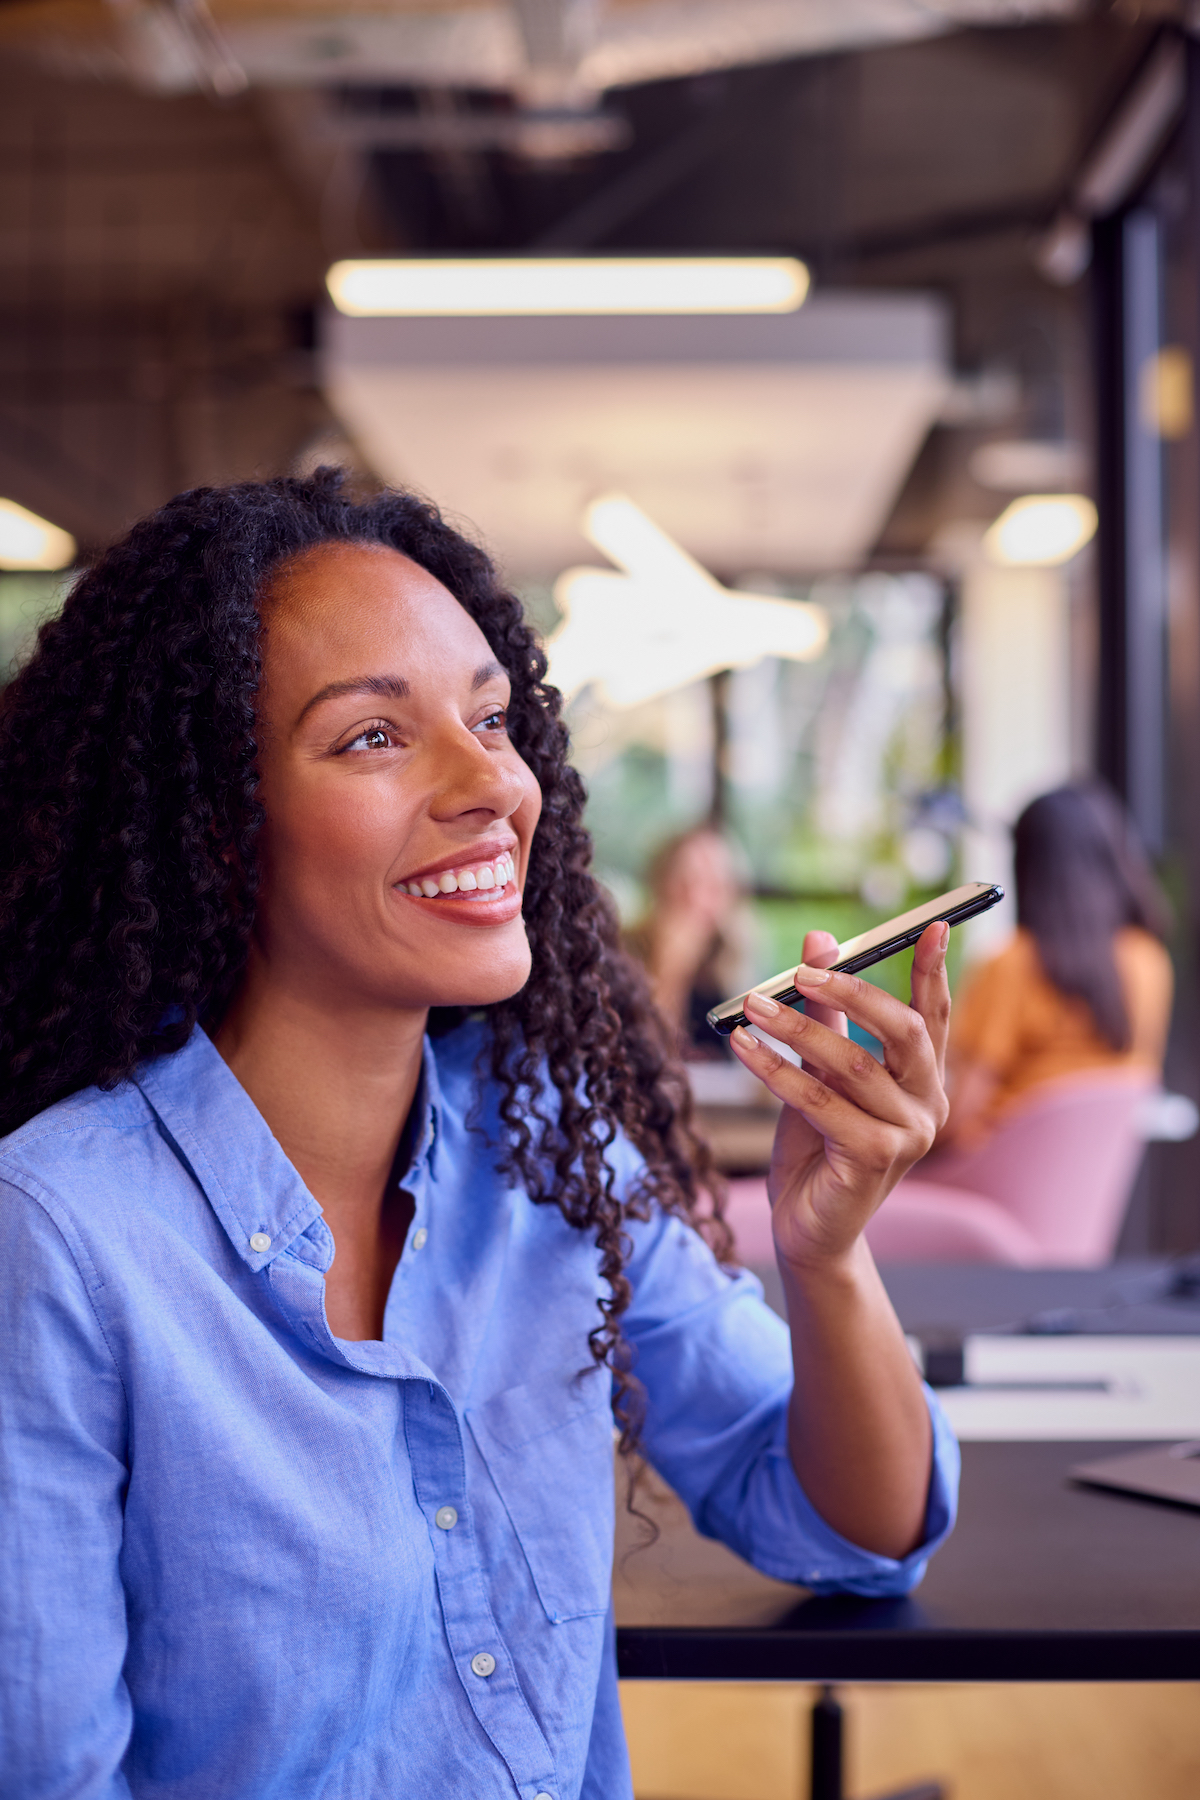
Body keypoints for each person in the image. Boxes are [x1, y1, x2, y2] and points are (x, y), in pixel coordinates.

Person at [0, 471, 958, 1800]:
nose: (491, 785)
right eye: (374, 740)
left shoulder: (547, 1155)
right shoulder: (60, 1237)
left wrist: (829, 1259)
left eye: (492, 718)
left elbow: (857, 1533)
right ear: (218, 827)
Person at [937, 781, 1173, 1152]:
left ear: (1029, 864)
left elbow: (962, 1113)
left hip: (991, 1176)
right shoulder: (1149, 960)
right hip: (1079, 1189)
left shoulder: (1012, 965)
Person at [625, 826, 755, 1057]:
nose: (695, 898)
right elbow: (639, 1053)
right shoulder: (623, 952)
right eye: (684, 881)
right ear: (659, 884)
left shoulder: (730, 968)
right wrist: (669, 970)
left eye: (713, 886)